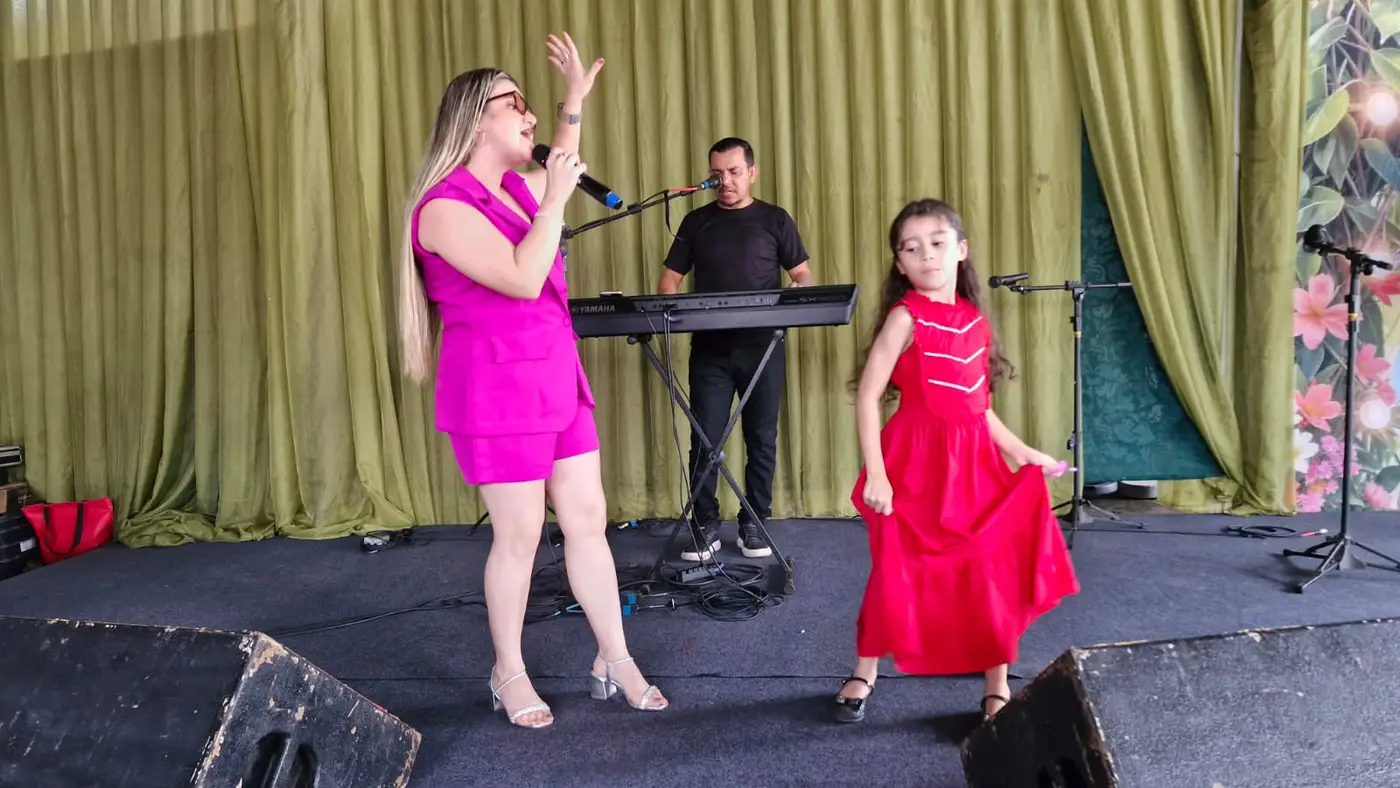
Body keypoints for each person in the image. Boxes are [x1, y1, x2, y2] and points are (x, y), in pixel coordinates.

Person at [396, 34, 668, 729]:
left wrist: (573, 100)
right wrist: (556, 201)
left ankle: (615, 656)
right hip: (494, 390)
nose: (531, 116)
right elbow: (522, 276)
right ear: (473, 120)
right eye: (515, 103)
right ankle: (508, 670)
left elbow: (558, 169)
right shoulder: (443, 208)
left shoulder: (518, 190)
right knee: (519, 536)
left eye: (530, 105)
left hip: (556, 375)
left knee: (587, 520)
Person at [832, 198, 1080, 724]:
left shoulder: (976, 322)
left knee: (990, 573)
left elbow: (979, 408)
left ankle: (997, 685)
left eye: (937, 243)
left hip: (973, 467)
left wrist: (1023, 452)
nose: (927, 255)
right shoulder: (904, 318)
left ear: (961, 250)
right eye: (911, 248)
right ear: (900, 264)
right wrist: (877, 473)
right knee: (895, 571)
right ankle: (865, 670)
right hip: (913, 466)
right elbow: (869, 396)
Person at [657, 138, 814, 562]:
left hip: (763, 348)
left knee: (761, 437)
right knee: (705, 439)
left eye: (734, 172)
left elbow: (802, 274)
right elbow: (670, 278)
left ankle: (754, 521)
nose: (724, 181)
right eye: (717, 174)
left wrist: (796, 294)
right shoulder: (696, 222)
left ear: (752, 173)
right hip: (710, 351)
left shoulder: (775, 220)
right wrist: (671, 308)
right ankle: (704, 524)